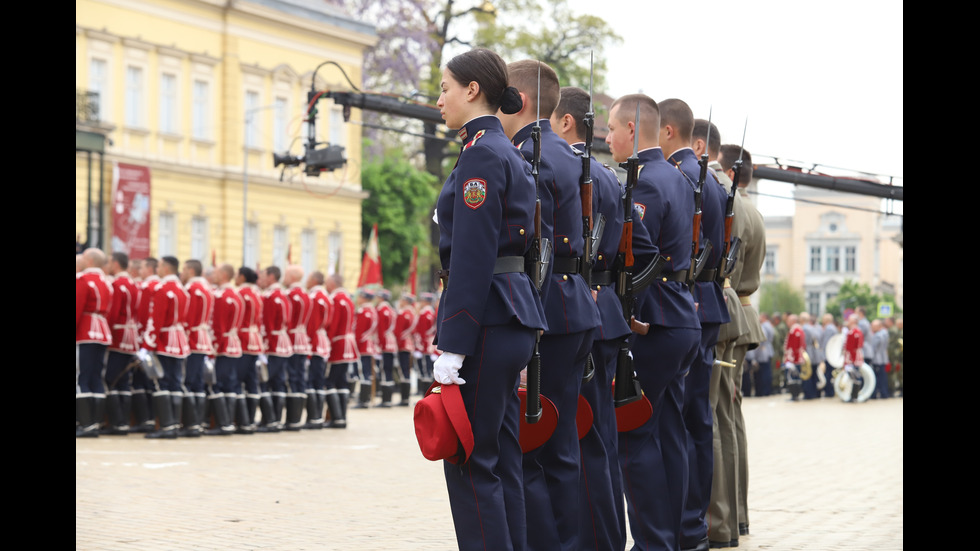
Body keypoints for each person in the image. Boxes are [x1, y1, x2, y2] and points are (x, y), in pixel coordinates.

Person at [431, 47, 548, 550]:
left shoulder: (482, 154)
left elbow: (474, 255)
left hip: (488, 320)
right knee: (500, 459)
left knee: (470, 462)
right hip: (512, 313)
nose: (439, 100)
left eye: (445, 88)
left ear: (471, 90)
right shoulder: (510, 152)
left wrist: (453, 341)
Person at [496, 59, 600, 551]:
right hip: (576, 305)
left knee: (532, 447)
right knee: (562, 450)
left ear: (515, 97)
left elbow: (531, 245)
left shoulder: (525, 155)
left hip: (546, 309)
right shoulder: (571, 155)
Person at [551, 84, 657, 551]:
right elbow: (639, 255)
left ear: (565, 121)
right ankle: (607, 537)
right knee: (600, 438)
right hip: (605, 309)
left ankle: (595, 541)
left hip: (579, 306)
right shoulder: (610, 177)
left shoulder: (562, 167)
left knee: (584, 436)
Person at [606, 93, 701, 551]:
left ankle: (653, 543)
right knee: (670, 434)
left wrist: (632, 313)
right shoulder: (681, 175)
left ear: (631, 129)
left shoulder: (642, 181)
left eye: (609, 129)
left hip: (655, 319)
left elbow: (639, 260)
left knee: (632, 434)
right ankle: (679, 537)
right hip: (682, 313)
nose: (606, 138)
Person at [659, 99, 732, 551]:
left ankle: (684, 524)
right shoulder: (709, 180)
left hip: (685, 300)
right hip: (706, 300)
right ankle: (693, 525)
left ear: (669, 131)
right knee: (698, 422)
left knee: (681, 422)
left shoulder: (680, 176)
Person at [141, 256, 191, 439]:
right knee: (175, 382)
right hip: (179, 340)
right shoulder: (182, 290)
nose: (158, 269)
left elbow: (157, 320)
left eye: (160, 266)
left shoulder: (163, 289)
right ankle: (174, 424)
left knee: (161, 382)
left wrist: (147, 345)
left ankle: (166, 426)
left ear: (166, 268)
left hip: (165, 341)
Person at [76, 248, 113, 437]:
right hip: (102, 331)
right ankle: (95, 423)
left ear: (89, 261)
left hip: (85, 330)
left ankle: (86, 425)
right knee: (96, 378)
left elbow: (77, 307)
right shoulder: (107, 282)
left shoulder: (83, 280)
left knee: (82, 378)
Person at [103, 251, 141, 435]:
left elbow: (113, 312)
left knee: (112, 378)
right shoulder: (134, 284)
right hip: (131, 335)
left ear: (116, 264)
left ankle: (117, 423)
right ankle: (123, 421)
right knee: (124, 381)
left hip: (118, 334)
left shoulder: (117, 284)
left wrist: (106, 332)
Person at [181, 259, 215, 437]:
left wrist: (183, 339)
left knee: (189, 380)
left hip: (192, 339)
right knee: (197, 383)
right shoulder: (207, 289)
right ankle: (198, 421)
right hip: (202, 338)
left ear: (191, 270)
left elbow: (189, 317)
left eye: (185, 269)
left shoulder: (192, 290)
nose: (182, 272)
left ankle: (191, 423)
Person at [210, 263, 244, 435]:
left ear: (223, 275)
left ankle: (223, 424)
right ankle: (229, 422)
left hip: (223, 346)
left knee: (219, 383)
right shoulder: (236, 295)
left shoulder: (221, 296)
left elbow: (219, 326)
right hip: (233, 343)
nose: (213, 275)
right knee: (230, 384)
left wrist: (213, 349)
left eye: (216, 273)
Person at [261, 266, 293, 431]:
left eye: (264, 275)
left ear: (271, 277)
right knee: (279, 381)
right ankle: (276, 419)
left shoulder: (270, 296)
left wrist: (265, 345)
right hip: (283, 342)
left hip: (273, 343)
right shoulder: (284, 295)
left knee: (267, 381)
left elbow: (267, 323)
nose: (262, 279)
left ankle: (270, 420)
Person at [131, 257, 161, 433]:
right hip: (161, 340)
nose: (140, 270)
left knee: (144, 381)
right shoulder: (159, 286)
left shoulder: (147, 287)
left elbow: (142, 315)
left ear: (149, 268)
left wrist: (143, 341)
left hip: (147, 338)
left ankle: (147, 419)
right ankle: (152, 419)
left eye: (142, 267)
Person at [235, 267, 267, 432]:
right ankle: (250, 419)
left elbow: (237, 319)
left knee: (238, 380)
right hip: (255, 340)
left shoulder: (241, 293)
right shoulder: (257, 293)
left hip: (242, 340)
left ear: (241, 277)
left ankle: (242, 420)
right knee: (251, 381)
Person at [325, 273, 357, 428]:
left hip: (338, 345)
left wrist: (327, 344)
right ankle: (341, 417)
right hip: (348, 345)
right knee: (341, 381)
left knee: (330, 381)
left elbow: (333, 325)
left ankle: (336, 418)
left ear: (332, 284)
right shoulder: (348, 299)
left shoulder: (336, 300)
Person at [283, 265, 312, 430]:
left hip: (291, 338)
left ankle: (292, 419)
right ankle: (296, 418)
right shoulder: (306, 295)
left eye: (286, 274)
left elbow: (287, 319)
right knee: (300, 378)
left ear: (293, 276)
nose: (284, 278)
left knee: (292, 377)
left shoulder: (291, 295)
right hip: (302, 339)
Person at [305, 270, 333, 428]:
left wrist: (308, 342)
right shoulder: (326, 297)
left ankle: (313, 417)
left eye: (308, 279)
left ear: (314, 280)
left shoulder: (315, 297)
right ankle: (316, 416)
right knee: (319, 380)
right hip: (323, 340)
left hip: (315, 341)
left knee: (313, 381)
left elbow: (312, 323)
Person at [353, 288, 378, 409]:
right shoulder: (372, 310)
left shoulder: (363, 311)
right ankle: (366, 398)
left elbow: (358, 331)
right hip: (369, 344)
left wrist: (355, 345)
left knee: (363, 373)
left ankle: (363, 400)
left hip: (362, 345)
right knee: (367, 373)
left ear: (363, 298)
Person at [374, 289, 398, 407]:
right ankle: (388, 399)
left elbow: (381, 329)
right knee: (388, 370)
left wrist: (379, 344)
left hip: (384, 343)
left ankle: (386, 400)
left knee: (384, 371)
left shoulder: (381, 310)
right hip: (391, 342)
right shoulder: (391, 309)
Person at [394, 293, 418, 405]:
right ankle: (406, 398)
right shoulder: (413, 313)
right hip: (409, 344)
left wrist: (396, 344)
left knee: (403, 372)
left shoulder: (403, 313)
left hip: (402, 344)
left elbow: (398, 331)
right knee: (406, 371)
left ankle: (404, 399)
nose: (400, 302)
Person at [414, 292, 437, 394]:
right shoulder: (430, 313)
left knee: (426, 370)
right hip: (428, 345)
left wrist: (419, 346)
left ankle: (426, 395)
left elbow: (422, 331)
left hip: (425, 345)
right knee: (428, 370)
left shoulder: (425, 314)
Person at [782, 313, 806, 401]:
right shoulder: (799, 329)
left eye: (788, 321)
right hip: (797, 358)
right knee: (796, 377)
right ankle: (795, 395)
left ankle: (794, 395)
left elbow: (793, 347)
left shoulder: (794, 330)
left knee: (792, 378)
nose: (787, 323)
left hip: (793, 359)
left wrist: (789, 360)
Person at [800, 312, 821, 400]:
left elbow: (804, 341)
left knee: (807, 374)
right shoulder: (813, 327)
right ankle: (815, 393)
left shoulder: (805, 328)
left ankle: (809, 393)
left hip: (808, 352)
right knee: (814, 374)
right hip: (814, 352)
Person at [818, 313, 839, 398]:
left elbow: (826, 343)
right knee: (830, 373)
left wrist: (822, 355)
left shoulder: (829, 329)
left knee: (828, 374)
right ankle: (830, 391)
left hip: (829, 354)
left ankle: (829, 392)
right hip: (832, 354)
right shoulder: (833, 328)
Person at [871, 319, 890, 399]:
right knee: (883, 377)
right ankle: (884, 393)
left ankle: (875, 394)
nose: (872, 328)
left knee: (877, 377)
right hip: (883, 358)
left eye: (874, 326)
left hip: (877, 359)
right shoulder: (885, 333)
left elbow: (874, 348)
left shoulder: (877, 335)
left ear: (879, 326)